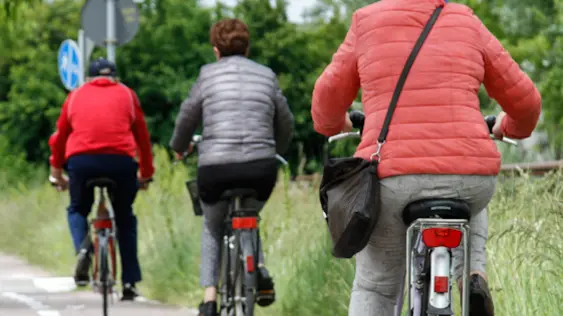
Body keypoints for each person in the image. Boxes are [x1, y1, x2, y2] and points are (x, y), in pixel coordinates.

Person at [311, 1, 541, 315]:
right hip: (470, 175)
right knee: (467, 192)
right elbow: (527, 102)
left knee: (375, 286)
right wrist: (506, 126)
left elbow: (325, 103)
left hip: (393, 177)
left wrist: (337, 123)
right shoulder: (465, 20)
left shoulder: (366, 21)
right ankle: (472, 274)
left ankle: (461, 277)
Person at [169, 18, 294, 316]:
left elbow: (187, 116)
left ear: (216, 50)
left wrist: (179, 147)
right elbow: (286, 120)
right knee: (251, 212)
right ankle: (260, 268)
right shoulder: (267, 76)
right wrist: (275, 148)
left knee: (213, 226)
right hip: (261, 168)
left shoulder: (207, 75)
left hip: (215, 169)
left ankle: (209, 298)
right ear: (247, 48)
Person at [48, 57, 155, 301]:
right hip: (120, 163)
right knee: (125, 217)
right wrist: (146, 173)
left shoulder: (74, 96)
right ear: (115, 78)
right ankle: (129, 281)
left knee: (77, 209)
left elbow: (60, 137)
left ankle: (84, 248)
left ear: (88, 78)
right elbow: (142, 138)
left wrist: (56, 172)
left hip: (81, 162)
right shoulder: (127, 95)